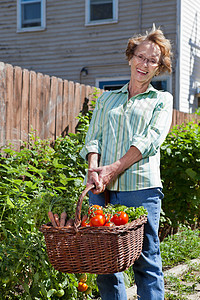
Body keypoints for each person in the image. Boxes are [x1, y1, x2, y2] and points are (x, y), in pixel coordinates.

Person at [80, 26, 173, 300]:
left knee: (146, 261)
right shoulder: (108, 98)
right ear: (131, 57)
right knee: (105, 263)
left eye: (152, 60)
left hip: (140, 189)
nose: (144, 64)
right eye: (140, 56)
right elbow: (93, 139)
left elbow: (150, 140)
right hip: (102, 190)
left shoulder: (161, 100)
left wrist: (112, 169)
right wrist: (94, 171)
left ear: (159, 68)